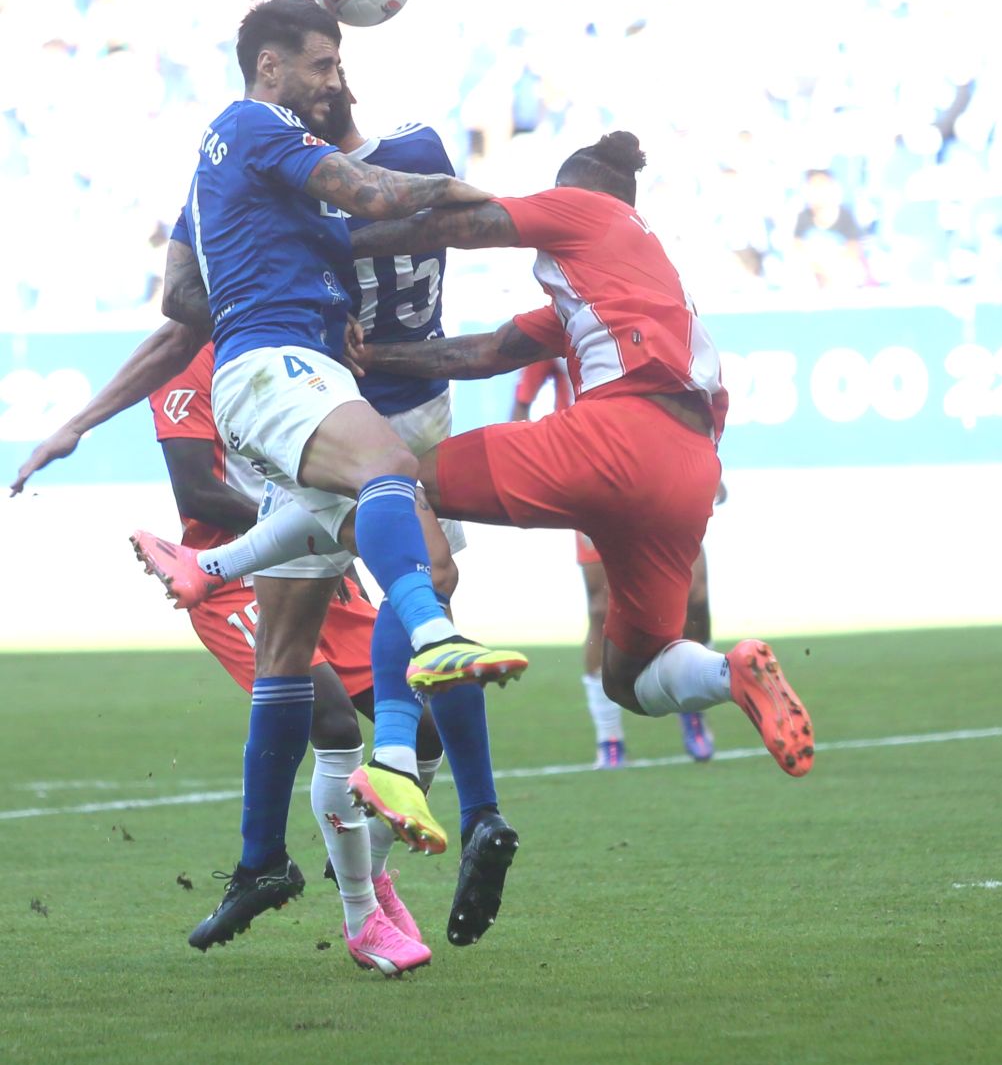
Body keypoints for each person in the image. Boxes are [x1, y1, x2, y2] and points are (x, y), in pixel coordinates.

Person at [127, 0, 524, 974]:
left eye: (338, 64)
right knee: (402, 523)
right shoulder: (259, 139)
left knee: (315, 625)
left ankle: (294, 862)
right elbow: (377, 197)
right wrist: (494, 205)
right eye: (319, 62)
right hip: (303, 395)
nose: (332, 77)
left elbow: (190, 286)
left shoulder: (244, 175)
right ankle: (421, 695)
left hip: (310, 390)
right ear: (271, 69)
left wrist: (306, 264)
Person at [320, 131, 815, 775]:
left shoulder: (591, 208)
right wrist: (372, 358)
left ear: (576, 190)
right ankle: (730, 673)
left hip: (617, 438)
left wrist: (333, 246)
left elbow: (465, 225)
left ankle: (419, 643)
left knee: (396, 479)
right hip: (689, 471)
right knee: (630, 679)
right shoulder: (632, 284)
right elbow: (486, 353)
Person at [148, 341, 450, 938]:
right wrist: (316, 538)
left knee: (423, 729)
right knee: (333, 721)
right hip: (235, 577)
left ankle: (366, 869)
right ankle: (353, 911)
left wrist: (338, 550)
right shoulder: (193, 363)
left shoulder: (307, 343)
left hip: (322, 556)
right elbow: (196, 494)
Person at [511, 358, 719, 766]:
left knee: (694, 596)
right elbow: (520, 405)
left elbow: (693, 392)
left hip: (664, 466)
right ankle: (609, 738)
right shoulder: (556, 326)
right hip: (591, 475)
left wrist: (706, 454)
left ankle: (694, 707)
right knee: (601, 608)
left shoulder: (652, 319)